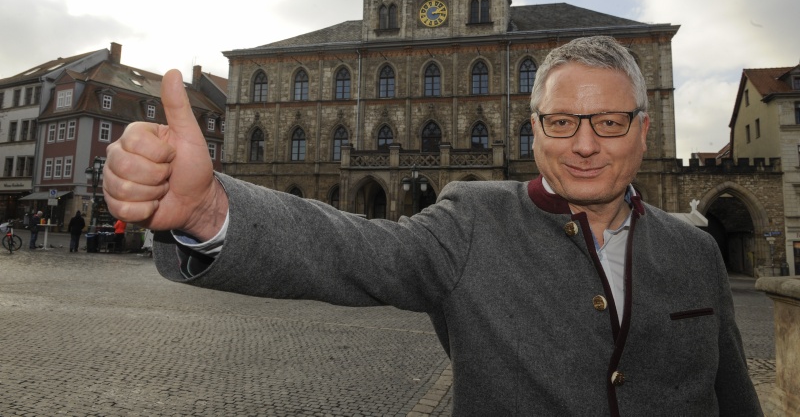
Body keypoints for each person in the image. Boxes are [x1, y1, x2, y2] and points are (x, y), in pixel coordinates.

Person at [102, 36, 762, 416]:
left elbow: (734, 401)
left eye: (609, 121)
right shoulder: (473, 222)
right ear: (532, 130)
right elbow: (349, 249)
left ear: (643, 130)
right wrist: (208, 210)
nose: (584, 143)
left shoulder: (695, 251)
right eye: (561, 121)